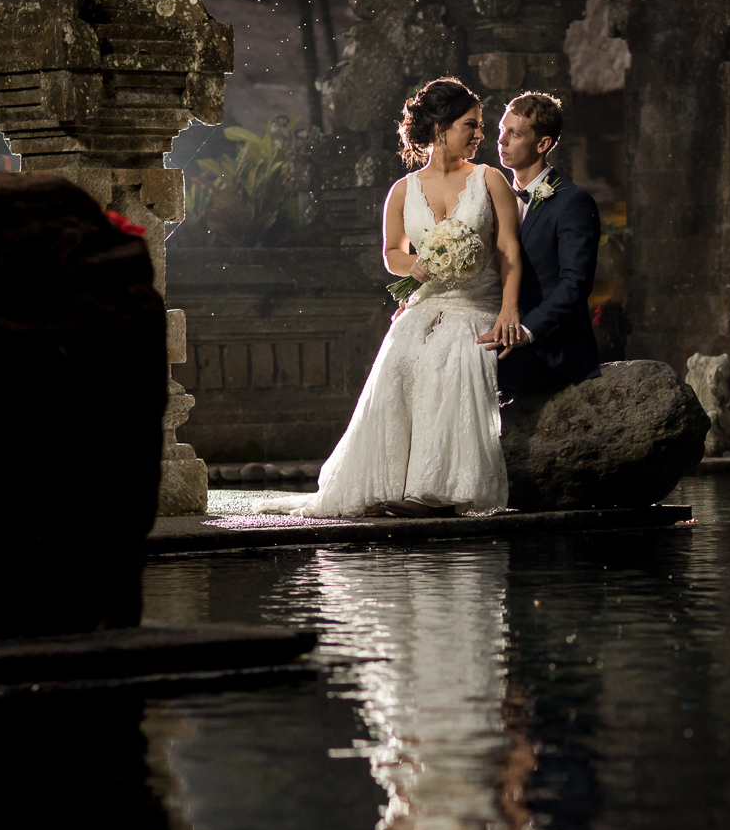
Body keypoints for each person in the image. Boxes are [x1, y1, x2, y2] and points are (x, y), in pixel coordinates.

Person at [251, 77, 526, 519]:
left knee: (449, 357)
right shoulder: (402, 190)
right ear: (440, 128)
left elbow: (510, 250)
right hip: (425, 301)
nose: (479, 134)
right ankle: (386, 484)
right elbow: (391, 253)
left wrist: (509, 311)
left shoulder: (490, 181)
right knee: (398, 355)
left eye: (479, 126)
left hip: (475, 305)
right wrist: (412, 266)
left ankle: (433, 490)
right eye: (470, 125)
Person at [492, 91, 602, 398]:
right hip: (499, 333)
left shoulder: (573, 202)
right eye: (502, 130)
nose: (502, 141)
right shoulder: (490, 199)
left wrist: (526, 332)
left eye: (514, 134)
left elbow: (575, 284)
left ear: (543, 144)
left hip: (549, 346)